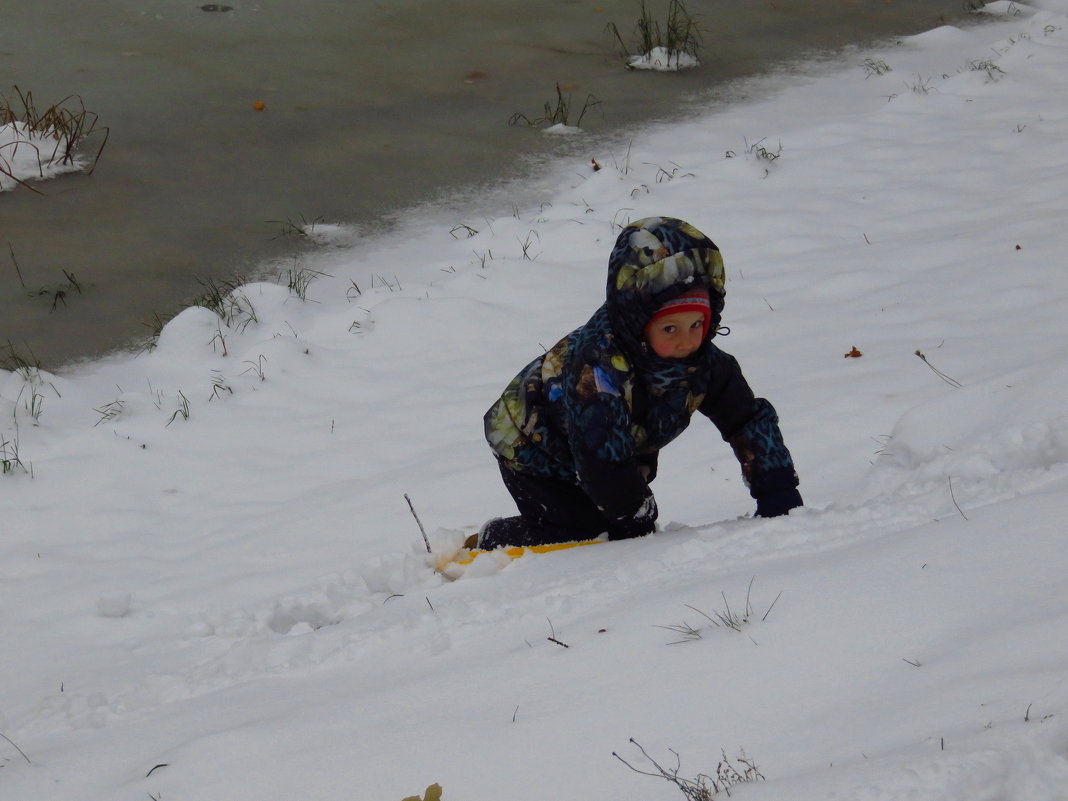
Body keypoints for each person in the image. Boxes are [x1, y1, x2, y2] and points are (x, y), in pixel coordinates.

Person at [477, 216, 801, 550]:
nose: (686, 341)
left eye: (697, 324)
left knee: (611, 514)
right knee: (583, 531)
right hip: (530, 446)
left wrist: (776, 487)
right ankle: (496, 540)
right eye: (670, 329)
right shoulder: (597, 371)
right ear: (638, 323)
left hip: (612, 446)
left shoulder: (706, 365)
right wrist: (636, 525)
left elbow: (746, 420)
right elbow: (602, 458)